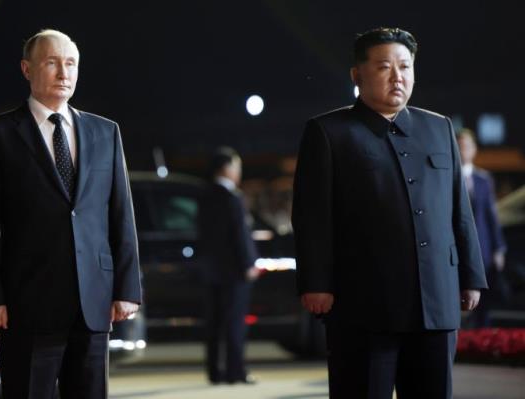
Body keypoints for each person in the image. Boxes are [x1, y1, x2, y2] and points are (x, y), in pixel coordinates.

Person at [292, 27, 488, 399]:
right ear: (357, 74)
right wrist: (316, 281)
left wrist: (470, 275)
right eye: (384, 66)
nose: (397, 76)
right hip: (363, 302)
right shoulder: (329, 132)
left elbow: (459, 210)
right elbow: (311, 215)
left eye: (405, 66)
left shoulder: (438, 127)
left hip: (435, 300)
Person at [0, 29, 142, 399]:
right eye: (52, 62)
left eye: (71, 63)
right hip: (26, 305)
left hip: (92, 305)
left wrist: (127, 289)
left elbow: (121, 217)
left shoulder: (105, 132)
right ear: (27, 69)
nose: (64, 72)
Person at [197, 147, 261, 385]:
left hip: (210, 271)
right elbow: (240, 235)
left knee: (214, 324)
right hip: (234, 271)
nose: (238, 173)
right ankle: (236, 371)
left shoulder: (203, 196)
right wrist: (249, 263)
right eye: (237, 167)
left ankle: (215, 371)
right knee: (235, 323)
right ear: (226, 169)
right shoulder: (232, 197)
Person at [457, 128, 507, 327]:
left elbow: (491, 216)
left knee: (483, 297)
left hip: (483, 246)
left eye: (466, 146)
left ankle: (481, 336)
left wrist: (499, 248)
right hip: (457, 247)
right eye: (459, 146)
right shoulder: (446, 178)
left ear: (474, 150)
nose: (462, 151)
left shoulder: (484, 179)